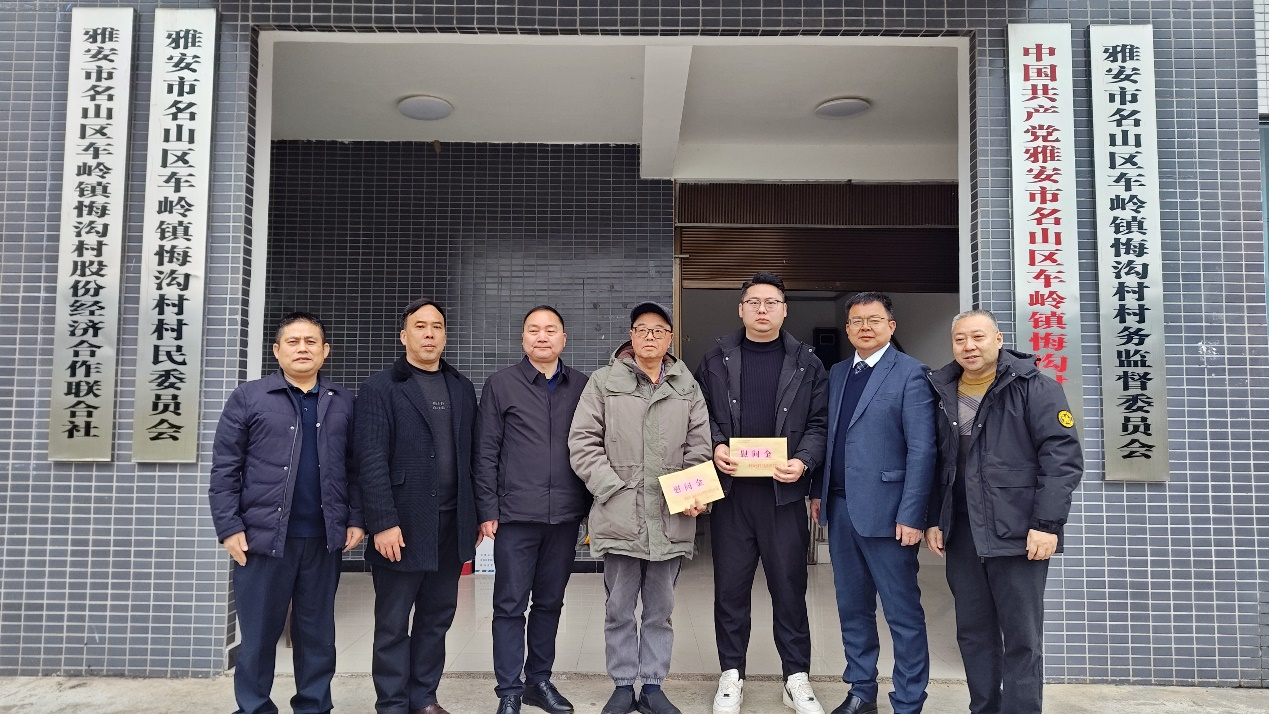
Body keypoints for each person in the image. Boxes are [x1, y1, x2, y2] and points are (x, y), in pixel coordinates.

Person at [924, 309, 1083, 714]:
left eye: (978, 337)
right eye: (960, 339)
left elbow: (1062, 460)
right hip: (963, 532)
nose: (969, 346)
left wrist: (1046, 524)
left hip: (1018, 532)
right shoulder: (943, 391)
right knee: (973, 632)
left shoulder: (1035, 388)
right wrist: (936, 519)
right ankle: (984, 708)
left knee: (1021, 636)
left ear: (998, 339)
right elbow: (939, 463)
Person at [208, 312, 365, 714]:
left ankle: (314, 706)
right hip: (262, 539)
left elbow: (356, 467)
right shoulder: (250, 397)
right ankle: (254, 707)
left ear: (325, 351)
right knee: (259, 636)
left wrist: (356, 517)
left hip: (323, 539)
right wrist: (228, 526)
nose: (302, 349)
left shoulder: (343, 402)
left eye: (311, 341)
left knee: (317, 636)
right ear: (277, 351)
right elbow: (225, 466)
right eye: (293, 342)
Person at [693, 272, 828, 714]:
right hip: (732, 496)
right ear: (741, 309)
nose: (762, 309)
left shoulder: (808, 363)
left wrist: (803, 460)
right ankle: (731, 675)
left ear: (784, 310)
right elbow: (700, 415)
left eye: (771, 302)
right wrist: (716, 445)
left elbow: (820, 423)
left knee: (789, 590)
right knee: (730, 591)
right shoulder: (715, 359)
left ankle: (796, 677)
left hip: (783, 497)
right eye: (754, 302)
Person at [568, 302, 712, 714]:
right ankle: (622, 684)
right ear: (631, 336)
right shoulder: (604, 382)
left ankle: (652, 686)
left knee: (660, 610)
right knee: (618, 608)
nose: (650, 336)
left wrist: (692, 493)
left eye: (659, 330)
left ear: (670, 338)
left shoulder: (687, 386)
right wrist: (610, 488)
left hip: (670, 516)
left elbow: (699, 446)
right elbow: (583, 441)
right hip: (620, 514)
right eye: (642, 329)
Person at [811, 292, 936, 714]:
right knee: (853, 607)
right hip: (841, 508)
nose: (865, 327)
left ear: (891, 326)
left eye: (874, 320)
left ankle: (908, 700)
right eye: (857, 321)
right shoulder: (838, 372)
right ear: (847, 329)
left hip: (890, 513)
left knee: (902, 612)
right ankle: (861, 690)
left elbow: (923, 450)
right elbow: (831, 437)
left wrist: (912, 514)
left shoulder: (912, 373)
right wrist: (818, 491)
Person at [354, 298, 479, 714]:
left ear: (445, 335)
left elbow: (472, 457)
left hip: (451, 523)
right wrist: (382, 522)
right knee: (393, 623)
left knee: (437, 617)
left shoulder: (461, 387)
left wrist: (475, 516)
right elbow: (370, 459)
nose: (429, 333)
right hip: (401, 526)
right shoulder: (380, 388)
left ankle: (424, 698)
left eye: (437, 326)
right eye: (420, 326)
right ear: (404, 335)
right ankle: (392, 704)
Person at [475, 306, 590, 714]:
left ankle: (538, 681)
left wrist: (590, 509)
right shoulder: (501, 384)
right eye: (534, 330)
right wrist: (487, 509)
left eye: (551, 330)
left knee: (549, 603)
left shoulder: (582, 385)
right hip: (515, 516)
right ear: (523, 338)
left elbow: (595, 446)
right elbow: (485, 451)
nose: (542, 337)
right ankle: (509, 690)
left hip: (565, 516)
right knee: (509, 605)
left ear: (564, 339)